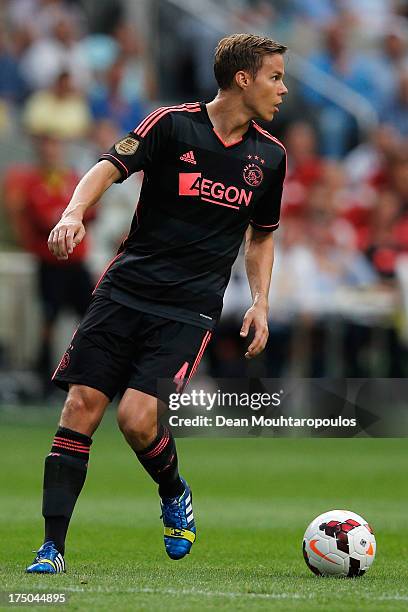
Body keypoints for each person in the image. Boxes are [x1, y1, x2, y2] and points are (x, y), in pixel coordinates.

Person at [26, 33, 288, 573]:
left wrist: (260, 301)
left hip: (188, 307)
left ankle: (173, 490)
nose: (283, 89)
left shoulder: (270, 156)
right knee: (80, 408)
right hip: (125, 289)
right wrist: (73, 213)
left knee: (137, 418)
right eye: (275, 77)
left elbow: (261, 235)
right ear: (243, 79)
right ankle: (52, 548)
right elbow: (107, 165)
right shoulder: (172, 123)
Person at [3, 133, 95, 396]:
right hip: (50, 264)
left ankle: (92, 374)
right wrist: (67, 214)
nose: (51, 154)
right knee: (48, 322)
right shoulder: (33, 182)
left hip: (76, 263)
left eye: (55, 148)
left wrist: (63, 214)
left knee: (91, 319)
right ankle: (46, 380)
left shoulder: (72, 181)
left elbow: (89, 211)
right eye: (47, 149)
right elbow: (43, 218)